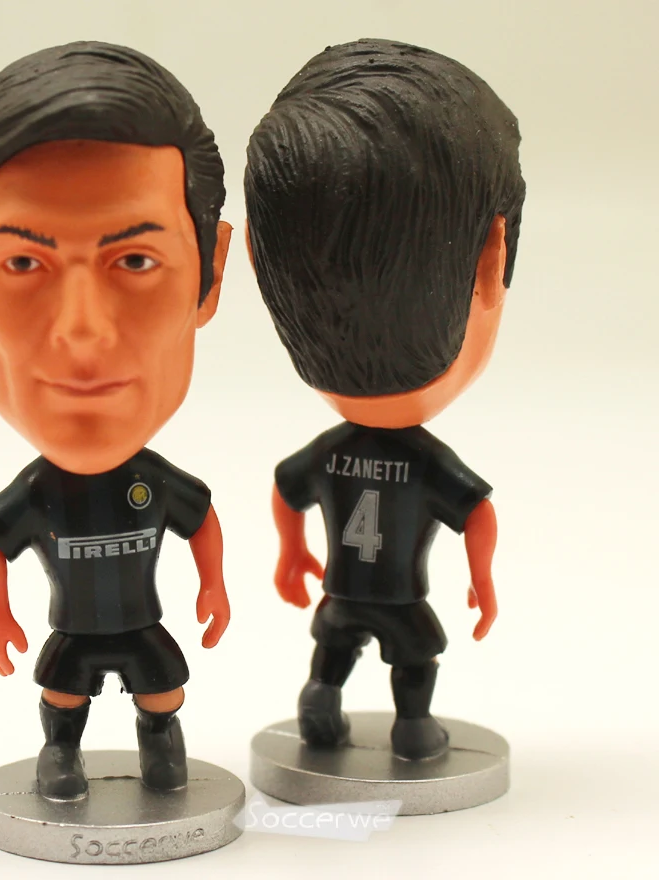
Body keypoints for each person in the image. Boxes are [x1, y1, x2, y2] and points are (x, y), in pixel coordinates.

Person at [0, 42, 232, 799]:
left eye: (135, 261)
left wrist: (214, 586)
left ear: (211, 273)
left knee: (162, 692)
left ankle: (161, 750)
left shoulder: (154, 480)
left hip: (142, 625)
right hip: (71, 632)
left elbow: (200, 518)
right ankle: (60, 756)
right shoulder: (38, 492)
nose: (82, 334)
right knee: (63, 695)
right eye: (22, 264)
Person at [244, 39, 525, 760]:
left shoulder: (329, 453)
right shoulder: (428, 463)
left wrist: (290, 552)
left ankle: (321, 695)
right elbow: (478, 514)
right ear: (491, 261)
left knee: (333, 654)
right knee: (415, 661)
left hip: (340, 594)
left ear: (262, 268)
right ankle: (412, 725)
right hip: (401, 597)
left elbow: (284, 486)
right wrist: (483, 580)